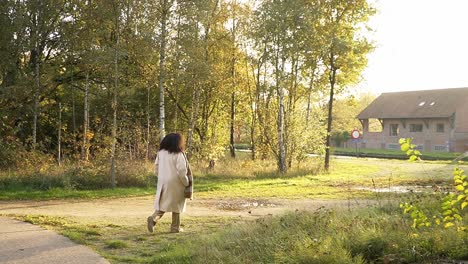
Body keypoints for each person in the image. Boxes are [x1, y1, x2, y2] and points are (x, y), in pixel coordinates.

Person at [147, 133, 189, 233]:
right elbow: (182, 171)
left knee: (163, 203)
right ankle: (175, 227)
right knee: (177, 205)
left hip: (163, 181)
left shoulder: (160, 153)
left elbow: (156, 168)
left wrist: (161, 177)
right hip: (176, 182)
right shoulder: (178, 154)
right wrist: (186, 182)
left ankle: (153, 219)